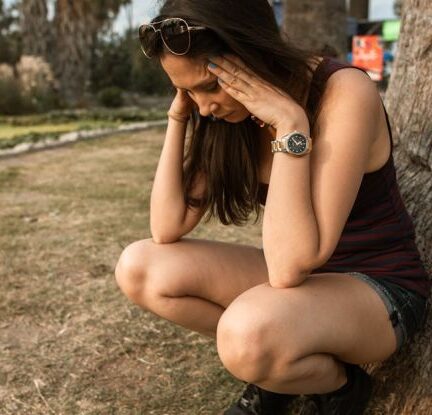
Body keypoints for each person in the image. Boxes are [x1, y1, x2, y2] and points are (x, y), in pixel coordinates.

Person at [114, 1, 431, 414]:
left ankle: (339, 386)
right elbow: (166, 226)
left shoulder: (344, 91)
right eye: (187, 90)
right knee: (139, 267)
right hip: (299, 286)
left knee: (245, 334)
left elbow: (290, 266)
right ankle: (283, 368)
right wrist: (179, 117)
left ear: (251, 55)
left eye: (210, 87)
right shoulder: (223, 117)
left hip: (378, 288)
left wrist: (291, 126)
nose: (205, 106)